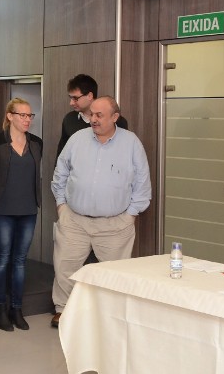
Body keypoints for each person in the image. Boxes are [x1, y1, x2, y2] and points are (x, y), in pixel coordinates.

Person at [51, 96, 151, 328]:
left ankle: (111, 317)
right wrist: (61, 205)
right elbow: (60, 172)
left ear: (115, 117)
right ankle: (63, 309)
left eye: (99, 115)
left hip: (115, 225)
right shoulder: (77, 139)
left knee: (114, 275)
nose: (93, 120)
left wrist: (131, 215)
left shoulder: (131, 143)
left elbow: (142, 182)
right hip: (74, 220)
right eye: (91, 115)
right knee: (65, 268)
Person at [0, 98, 42, 332]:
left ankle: (16, 309)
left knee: (20, 261)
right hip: (1, 210)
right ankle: (0, 308)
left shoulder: (37, 143)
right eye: (22, 115)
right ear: (10, 116)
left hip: (28, 209)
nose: (27, 120)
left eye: (30, 116)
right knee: (2, 260)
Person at [57, 74, 128, 159]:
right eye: (71, 98)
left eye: (75, 98)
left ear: (89, 96)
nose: (71, 103)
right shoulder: (69, 119)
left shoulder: (117, 121)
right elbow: (62, 154)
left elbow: (123, 153)